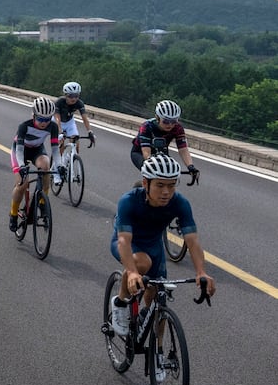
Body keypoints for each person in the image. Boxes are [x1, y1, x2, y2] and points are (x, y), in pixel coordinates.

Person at [109, 153, 216, 335]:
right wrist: (133, 272)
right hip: (129, 244)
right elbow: (123, 240)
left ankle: (158, 356)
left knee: (158, 300)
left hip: (154, 245)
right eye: (160, 185)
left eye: (171, 185)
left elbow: (192, 240)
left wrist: (201, 272)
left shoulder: (180, 203)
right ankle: (120, 303)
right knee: (142, 263)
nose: (166, 192)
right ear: (145, 183)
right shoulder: (129, 201)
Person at [8, 97, 60, 231]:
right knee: (22, 184)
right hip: (20, 151)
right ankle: (13, 214)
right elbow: (19, 150)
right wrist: (21, 166)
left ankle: (42, 203)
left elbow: (55, 149)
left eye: (48, 119)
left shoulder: (53, 126)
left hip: (37, 149)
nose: (44, 123)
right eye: (41, 119)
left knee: (46, 168)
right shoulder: (24, 126)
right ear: (33, 115)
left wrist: (60, 167)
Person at [130, 99, 199, 180]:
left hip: (161, 151)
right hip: (140, 152)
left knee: (169, 177)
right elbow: (146, 152)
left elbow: (183, 149)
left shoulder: (177, 128)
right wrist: (153, 165)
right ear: (157, 118)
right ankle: (146, 188)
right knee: (153, 175)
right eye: (166, 121)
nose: (170, 125)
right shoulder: (147, 127)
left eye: (173, 121)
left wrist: (190, 167)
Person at [53, 81, 96, 184]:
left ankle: (71, 157)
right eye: (71, 96)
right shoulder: (59, 102)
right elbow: (57, 118)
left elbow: (85, 119)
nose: (74, 98)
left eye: (76, 96)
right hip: (58, 122)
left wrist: (90, 131)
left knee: (76, 141)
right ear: (66, 95)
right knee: (61, 146)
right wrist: (60, 132)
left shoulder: (79, 103)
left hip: (69, 122)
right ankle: (56, 174)